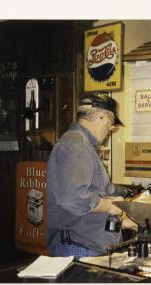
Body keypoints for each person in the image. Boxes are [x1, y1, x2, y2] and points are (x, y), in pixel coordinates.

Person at [46, 94, 136, 259]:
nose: (110, 129)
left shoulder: (80, 143)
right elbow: (72, 197)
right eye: (111, 123)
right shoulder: (77, 145)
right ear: (102, 117)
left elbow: (95, 192)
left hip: (84, 245)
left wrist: (123, 214)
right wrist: (109, 206)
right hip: (79, 247)